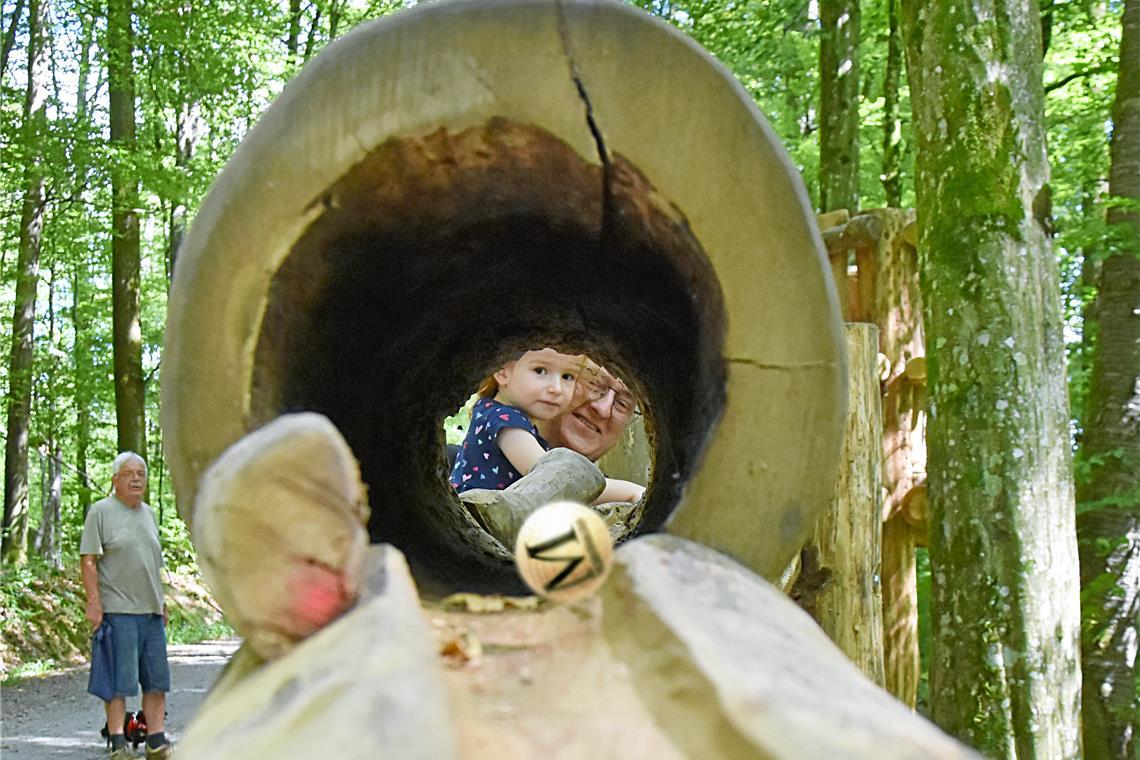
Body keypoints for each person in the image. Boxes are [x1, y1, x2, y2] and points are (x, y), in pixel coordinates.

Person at [450, 349, 643, 503]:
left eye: (567, 377)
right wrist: (630, 492)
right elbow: (554, 480)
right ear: (502, 370)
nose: (556, 388)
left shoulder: (496, 415)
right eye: (540, 371)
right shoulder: (503, 420)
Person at [80, 452, 173, 759]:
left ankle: (156, 741)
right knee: (118, 682)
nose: (136, 478)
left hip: (150, 613)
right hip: (117, 611)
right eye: (129, 473)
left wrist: (161, 601)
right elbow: (89, 559)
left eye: (141, 474)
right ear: (115, 480)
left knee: (157, 680)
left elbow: (152, 564)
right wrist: (94, 603)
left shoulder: (149, 514)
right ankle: (119, 744)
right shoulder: (101, 511)